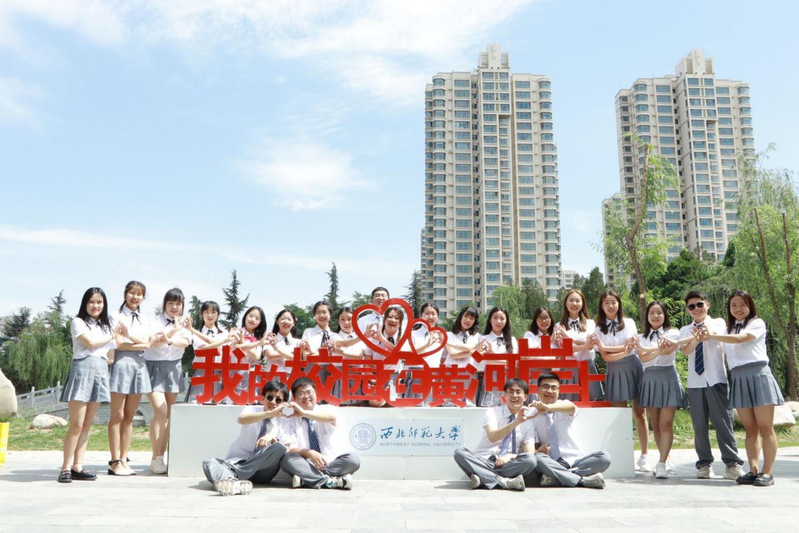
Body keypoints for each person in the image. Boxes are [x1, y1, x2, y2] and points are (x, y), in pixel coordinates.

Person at [699, 291, 784, 486]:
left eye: (742, 305)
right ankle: (753, 470)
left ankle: (767, 472)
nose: (738, 309)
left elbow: (741, 339)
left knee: (765, 427)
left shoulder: (757, 323)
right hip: (738, 377)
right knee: (750, 428)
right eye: (733, 305)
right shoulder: (727, 329)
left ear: (750, 306)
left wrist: (712, 335)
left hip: (758, 375)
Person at [671, 290, 744, 480]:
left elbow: (715, 336)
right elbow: (686, 351)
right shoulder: (685, 330)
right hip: (695, 382)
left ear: (707, 305)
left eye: (699, 304)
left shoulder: (718, 323)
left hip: (716, 378)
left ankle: (732, 464)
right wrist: (696, 338)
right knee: (699, 425)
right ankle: (704, 464)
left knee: (723, 423)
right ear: (688, 309)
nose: (696, 309)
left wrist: (705, 335)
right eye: (691, 306)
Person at [58, 287, 123, 483]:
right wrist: (112, 335)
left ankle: (78, 466)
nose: (96, 306)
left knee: (87, 424)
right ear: (85, 303)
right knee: (76, 424)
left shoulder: (105, 327)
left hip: (100, 372)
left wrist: (101, 363)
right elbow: (90, 343)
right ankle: (65, 467)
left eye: (99, 302)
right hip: (82, 370)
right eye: (92, 302)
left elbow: (111, 356)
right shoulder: (78, 322)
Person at [589, 290, 651, 472]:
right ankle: (623, 455)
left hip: (633, 367)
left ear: (619, 304)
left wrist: (607, 347)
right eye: (606, 303)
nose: (610, 306)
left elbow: (630, 347)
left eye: (613, 302)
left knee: (640, 413)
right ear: (601, 306)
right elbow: (605, 357)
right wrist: (618, 350)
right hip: (614, 369)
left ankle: (644, 455)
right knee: (620, 415)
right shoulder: (597, 328)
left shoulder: (629, 323)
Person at [201, 380, 290, 495]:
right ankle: (232, 483)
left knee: (279, 447)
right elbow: (242, 420)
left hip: (263, 471)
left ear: (283, 403)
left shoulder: (284, 421)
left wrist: (272, 437)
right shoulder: (252, 410)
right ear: (262, 398)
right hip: (239, 463)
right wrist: (269, 414)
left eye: (278, 400)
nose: (273, 402)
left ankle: (229, 478)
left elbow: (287, 449)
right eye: (270, 397)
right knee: (209, 462)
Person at [452, 378, 537, 491]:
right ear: (505, 395)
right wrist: (516, 422)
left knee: (530, 460)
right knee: (459, 452)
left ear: (525, 397)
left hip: (508, 464)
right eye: (511, 392)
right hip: (484, 461)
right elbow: (493, 437)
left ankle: (484, 478)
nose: (514, 395)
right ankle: (503, 481)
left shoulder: (529, 422)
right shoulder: (492, 412)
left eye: (518, 392)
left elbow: (529, 452)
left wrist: (510, 456)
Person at [530, 372, 610, 489]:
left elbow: (571, 408)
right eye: (545, 387)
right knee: (537, 459)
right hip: (552, 461)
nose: (550, 391)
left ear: (558, 391)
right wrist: (539, 449)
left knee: (604, 457)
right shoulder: (532, 416)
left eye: (554, 388)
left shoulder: (564, 406)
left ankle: (558, 478)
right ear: (537, 390)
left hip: (575, 461)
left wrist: (547, 407)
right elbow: (534, 444)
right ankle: (580, 480)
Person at [280, 377, 360, 489]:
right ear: (295, 399)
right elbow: (290, 448)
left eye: (309, 392)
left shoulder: (328, 409)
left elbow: (332, 418)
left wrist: (304, 413)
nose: (306, 396)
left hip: (331, 462)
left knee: (353, 460)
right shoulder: (290, 419)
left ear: (316, 394)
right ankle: (331, 481)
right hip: (306, 464)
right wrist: (310, 453)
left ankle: (308, 479)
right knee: (286, 460)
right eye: (301, 394)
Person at [144, 288, 191, 475]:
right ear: (164, 304)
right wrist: (174, 330)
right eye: (171, 303)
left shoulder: (185, 323)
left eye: (178, 304)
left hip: (173, 368)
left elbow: (185, 342)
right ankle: (155, 456)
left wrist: (169, 338)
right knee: (160, 410)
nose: (174, 307)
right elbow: (154, 341)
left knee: (169, 415)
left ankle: (159, 457)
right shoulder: (153, 320)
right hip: (153, 366)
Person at [108, 281, 153, 476]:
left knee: (129, 416)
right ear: (125, 294)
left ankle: (124, 458)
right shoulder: (115, 316)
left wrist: (131, 337)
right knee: (117, 416)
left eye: (139, 294)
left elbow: (148, 343)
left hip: (139, 365)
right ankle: (114, 460)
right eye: (132, 293)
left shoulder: (145, 319)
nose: (135, 297)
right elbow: (118, 344)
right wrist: (140, 343)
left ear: (143, 297)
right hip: (121, 364)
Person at [635, 301, 684, 479]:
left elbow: (668, 350)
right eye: (652, 313)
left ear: (665, 315)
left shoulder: (673, 333)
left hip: (668, 376)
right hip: (650, 378)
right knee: (655, 425)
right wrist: (657, 351)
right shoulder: (641, 337)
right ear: (647, 316)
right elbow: (642, 357)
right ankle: (665, 458)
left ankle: (662, 463)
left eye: (659, 313)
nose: (655, 316)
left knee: (665, 424)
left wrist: (649, 352)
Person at [555, 289, 604, 401]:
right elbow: (566, 349)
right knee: (568, 403)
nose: (574, 303)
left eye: (578, 301)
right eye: (571, 300)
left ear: (583, 304)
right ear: (566, 303)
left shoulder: (590, 323)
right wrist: (584, 344)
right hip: (568, 368)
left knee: (590, 402)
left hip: (587, 366)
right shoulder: (559, 326)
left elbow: (591, 345)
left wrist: (567, 337)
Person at [186, 300, 235, 404]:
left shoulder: (224, 333)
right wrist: (222, 342)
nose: (210, 315)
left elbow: (223, 350)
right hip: (202, 373)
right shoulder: (196, 334)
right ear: (202, 314)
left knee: (218, 406)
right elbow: (202, 349)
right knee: (196, 405)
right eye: (206, 312)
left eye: (213, 312)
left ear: (218, 315)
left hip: (219, 374)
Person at [477, 307, 518, 407]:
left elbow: (514, 362)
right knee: (488, 406)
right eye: (495, 318)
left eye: (502, 318)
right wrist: (504, 360)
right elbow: (479, 360)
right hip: (490, 377)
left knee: (507, 407)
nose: (498, 321)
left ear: (506, 321)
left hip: (507, 378)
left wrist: (492, 355)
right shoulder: (483, 339)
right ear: (490, 320)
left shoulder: (512, 340)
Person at [444, 306, 481, 405]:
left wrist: (454, 345)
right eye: (466, 316)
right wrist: (470, 351)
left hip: (470, 373)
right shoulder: (449, 335)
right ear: (461, 316)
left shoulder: (477, 337)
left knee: (469, 405)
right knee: (450, 404)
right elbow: (453, 354)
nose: (468, 320)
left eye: (472, 318)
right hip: (451, 372)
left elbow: (475, 352)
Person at [263, 308, 302, 375]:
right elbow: (270, 356)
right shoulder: (269, 339)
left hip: (291, 377)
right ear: (277, 321)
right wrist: (292, 353)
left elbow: (298, 359)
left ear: (293, 323)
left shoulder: (298, 342)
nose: (286, 322)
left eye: (289, 319)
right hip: (272, 376)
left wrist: (276, 349)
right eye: (283, 319)